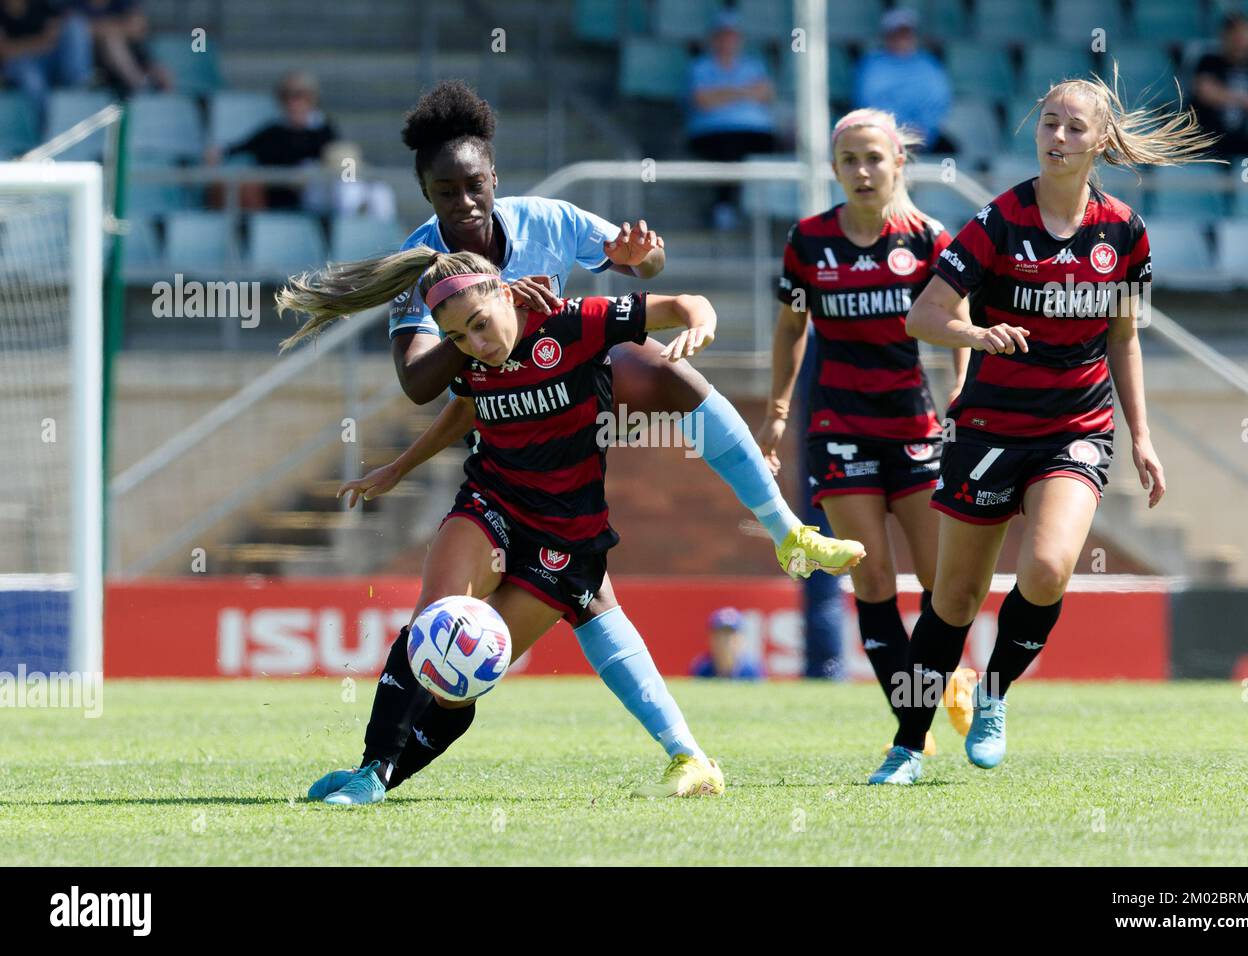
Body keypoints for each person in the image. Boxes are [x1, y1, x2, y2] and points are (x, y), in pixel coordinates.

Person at [288, 80, 862, 804]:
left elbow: (649, 276)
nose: (463, 204)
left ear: (494, 179)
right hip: (502, 467)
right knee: (451, 636)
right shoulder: (426, 270)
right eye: (445, 192)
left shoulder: (551, 235)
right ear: (424, 194)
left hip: (571, 403)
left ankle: (785, 531)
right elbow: (425, 387)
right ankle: (375, 772)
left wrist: (641, 259)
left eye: (474, 186)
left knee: (667, 375)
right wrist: (481, 330)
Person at [867, 71, 1219, 785]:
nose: (1056, 137)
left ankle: (993, 696)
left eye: (1073, 127)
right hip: (990, 430)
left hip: (1076, 428)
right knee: (955, 600)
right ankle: (906, 747)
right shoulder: (998, 221)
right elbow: (922, 317)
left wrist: (1142, 437)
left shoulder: (1124, 231)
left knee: (1051, 568)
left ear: (1099, 143)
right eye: (1049, 123)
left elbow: (1125, 337)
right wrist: (977, 333)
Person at [278, 251, 728, 804]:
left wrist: (701, 325)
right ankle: (372, 770)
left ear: (504, 293)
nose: (477, 344)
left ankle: (384, 777)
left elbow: (685, 304)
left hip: (566, 538)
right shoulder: (467, 356)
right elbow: (465, 408)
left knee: (458, 678)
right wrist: (399, 467)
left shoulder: (572, 321)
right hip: (492, 501)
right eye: (458, 337)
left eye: (480, 325)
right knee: (434, 629)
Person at [756, 107, 974, 755]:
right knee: (872, 580)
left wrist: (962, 379)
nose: (862, 170)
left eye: (874, 157)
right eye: (849, 160)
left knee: (944, 585)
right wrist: (776, 409)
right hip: (838, 427)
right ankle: (916, 724)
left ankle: (944, 685)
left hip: (914, 425)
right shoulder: (809, 243)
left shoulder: (931, 239)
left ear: (898, 163)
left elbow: (958, 317)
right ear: (833, 168)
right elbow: (792, 329)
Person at [685, 11, 779, 230]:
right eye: (723, 36)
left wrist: (724, 93)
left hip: (757, 131)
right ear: (714, 39)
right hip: (712, 132)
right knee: (729, 149)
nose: (727, 41)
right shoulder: (700, 67)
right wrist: (745, 92)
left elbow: (766, 93)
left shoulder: (753, 64)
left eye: (732, 36)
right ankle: (725, 206)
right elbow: (703, 100)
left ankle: (754, 212)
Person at [207, 71, 338, 210]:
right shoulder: (273, 131)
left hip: (315, 191)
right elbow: (241, 146)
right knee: (241, 184)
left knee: (347, 169)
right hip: (275, 195)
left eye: (299, 95)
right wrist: (219, 152)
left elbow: (333, 159)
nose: (292, 102)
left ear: (312, 98)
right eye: (286, 96)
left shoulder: (324, 130)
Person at [851, 9, 954, 155]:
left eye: (906, 34)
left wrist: (923, 129)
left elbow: (939, 99)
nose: (902, 39)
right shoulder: (872, 64)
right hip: (884, 133)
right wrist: (898, 130)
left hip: (925, 136)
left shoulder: (928, 63)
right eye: (897, 34)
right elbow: (868, 101)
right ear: (886, 36)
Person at [1191, 12, 1248, 159]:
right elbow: (1206, 93)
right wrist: (1246, 100)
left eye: (1245, 36)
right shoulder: (1209, 60)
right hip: (1208, 135)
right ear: (1225, 37)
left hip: (1239, 136)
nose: (1240, 42)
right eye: (1236, 36)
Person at [0, 0, 92, 116]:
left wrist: (21, 46)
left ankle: (79, 85)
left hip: (45, 61)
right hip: (18, 65)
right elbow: (4, 51)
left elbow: (52, 40)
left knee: (76, 24)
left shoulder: (41, 5)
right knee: (29, 76)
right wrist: (38, 43)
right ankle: (46, 127)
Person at [690, 607, 764, 679]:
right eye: (718, 635)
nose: (724, 640)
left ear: (740, 639)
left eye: (729, 634)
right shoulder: (701, 668)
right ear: (710, 639)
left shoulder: (751, 670)